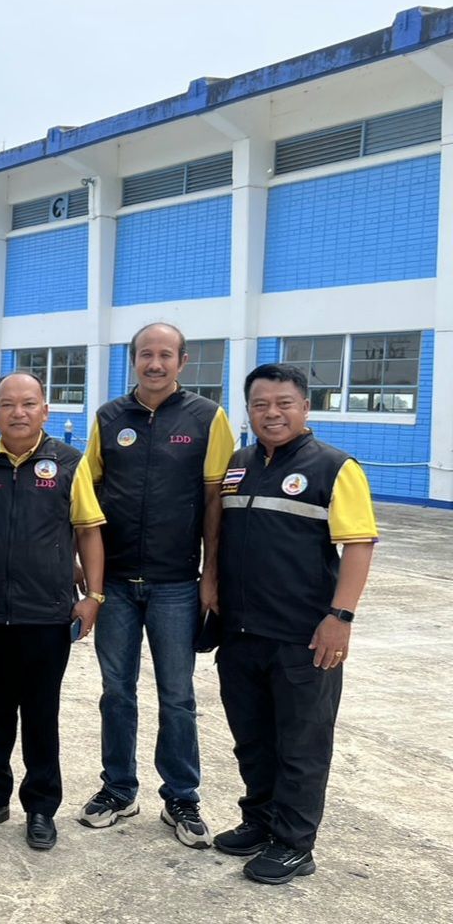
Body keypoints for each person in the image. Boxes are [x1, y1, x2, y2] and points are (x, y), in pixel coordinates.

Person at [214, 363, 376, 885]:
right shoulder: (239, 465)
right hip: (241, 633)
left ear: (305, 407)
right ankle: (260, 822)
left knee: (302, 745)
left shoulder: (334, 467)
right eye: (260, 404)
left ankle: (294, 844)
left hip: (304, 638)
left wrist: (340, 617)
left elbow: (359, 544)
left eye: (284, 403)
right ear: (248, 411)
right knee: (252, 738)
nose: (272, 413)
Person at [77, 322, 234, 848]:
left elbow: (215, 501)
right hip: (116, 583)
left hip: (176, 583)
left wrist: (210, 574)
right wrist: (86, 570)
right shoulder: (109, 417)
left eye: (166, 355)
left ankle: (182, 796)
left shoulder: (208, 418)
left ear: (182, 362)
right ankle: (119, 789)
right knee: (116, 692)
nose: (155, 363)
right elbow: (88, 497)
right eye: (146, 354)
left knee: (178, 695)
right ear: (134, 360)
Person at [0, 371, 105, 850]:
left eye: (28, 404)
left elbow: (88, 530)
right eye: (7, 404)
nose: (18, 412)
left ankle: (41, 807)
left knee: (41, 716)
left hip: (45, 615)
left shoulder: (69, 463)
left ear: (46, 410)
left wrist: (93, 596)